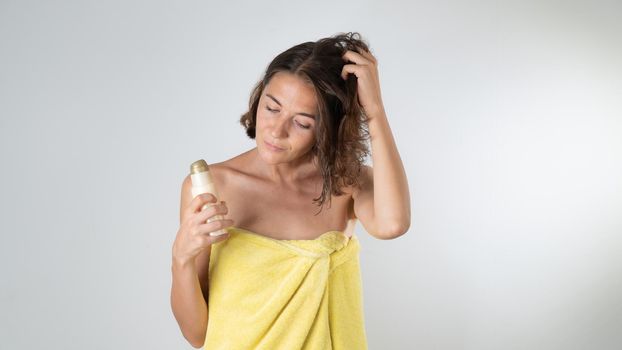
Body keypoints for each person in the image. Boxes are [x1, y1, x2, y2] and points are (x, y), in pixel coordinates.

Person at [170, 32, 411, 349]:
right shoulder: (213, 187)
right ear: (259, 98)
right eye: (272, 108)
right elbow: (197, 334)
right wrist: (181, 258)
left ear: (328, 128)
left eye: (302, 122)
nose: (276, 130)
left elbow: (393, 224)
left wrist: (375, 110)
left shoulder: (344, 181)